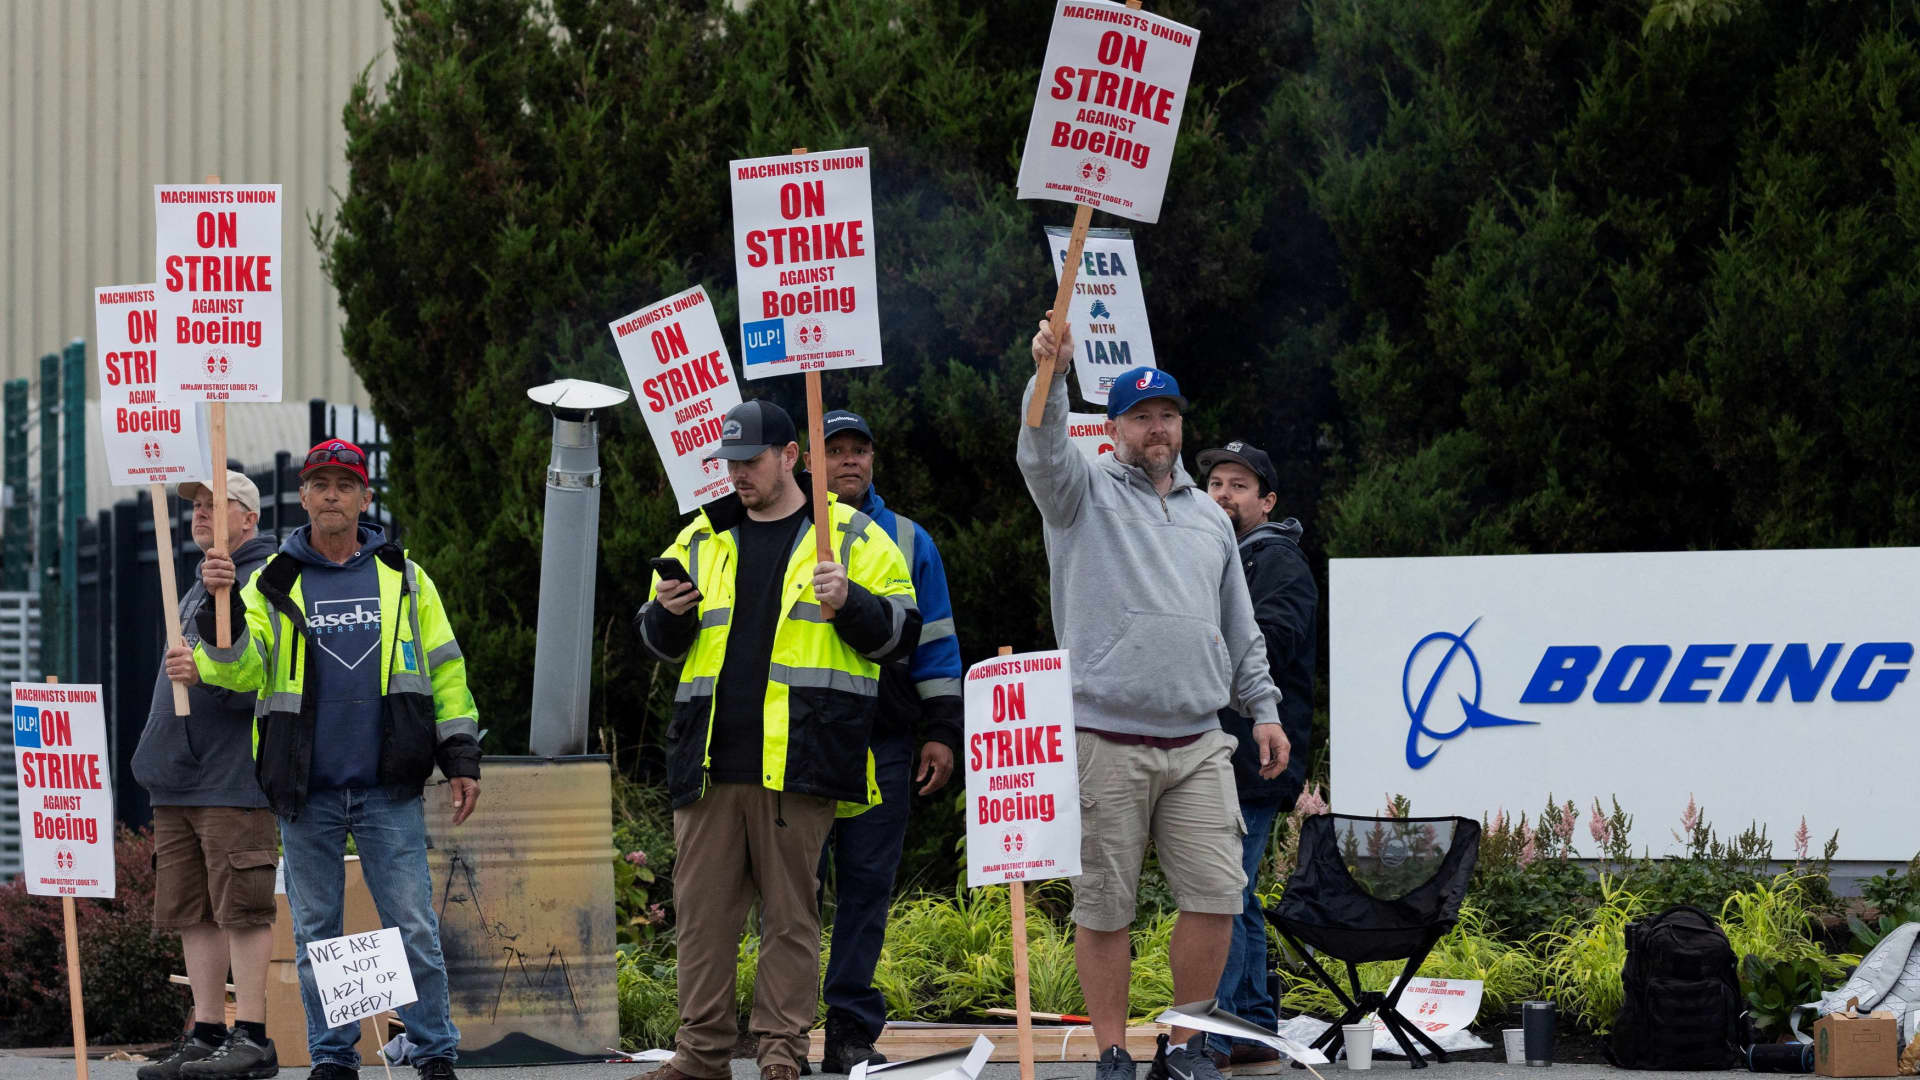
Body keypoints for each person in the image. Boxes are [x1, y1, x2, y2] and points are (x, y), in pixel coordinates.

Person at [1017, 318, 1288, 1080]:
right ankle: (1111, 1053)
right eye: (1140, 416)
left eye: (1167, 414)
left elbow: (1238, 624)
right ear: (1115, 429)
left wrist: (1262, 709)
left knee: (1217, 896)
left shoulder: (1209, 515)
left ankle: (1185, 1043)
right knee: (1105, 905)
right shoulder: (1079, 493)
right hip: (1104, 734)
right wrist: (1051, 373)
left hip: (1201, 737)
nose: (1156, 427)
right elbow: (1039, 445)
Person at [167, 438, 481, 1080]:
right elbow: (241, 669)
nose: (333, 494)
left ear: (365, 497)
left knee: (413, 927)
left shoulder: (405, 576)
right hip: (304, 789)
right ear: (304, 496)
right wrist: (219, 617)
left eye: (345, 483)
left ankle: (434, 1052)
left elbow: (447, 671)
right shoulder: (272, 580)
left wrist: (461, 758)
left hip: (387, 785)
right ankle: (333, 1057)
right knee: (316, 936)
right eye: (321, 484)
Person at [634, 399, 919, 1080]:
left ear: (791, 456)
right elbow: (657, 640)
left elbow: (902, 636)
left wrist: (850, 599)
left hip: (802, 758)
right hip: (707, 763)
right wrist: (667, 617)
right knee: (703, 922)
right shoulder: (697, 538)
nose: (737, 474)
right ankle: (700, 1055)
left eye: (751, 460)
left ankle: (781, 1056)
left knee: (791, 920)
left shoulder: (850, 536)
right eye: (729, 462)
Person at [805, 409, 963, 1073]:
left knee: (868, 887)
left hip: (884, 741)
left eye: (858, 450)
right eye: (834, 449)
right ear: (807, 460)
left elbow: (936, 642)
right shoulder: (784, 531)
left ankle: (848, 1033)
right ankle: (784, 1030)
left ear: (873, 458)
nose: (848, 460)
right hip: (803, 742)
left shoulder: (906, 537)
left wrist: (943, 731)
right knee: (794, 892)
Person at [133, 472, 281, 1080]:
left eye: (216, 505)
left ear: (249, 518)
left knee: (242, 907)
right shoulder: (197, 584)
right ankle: (208, 1030)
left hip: (233, 776)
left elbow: (265, 671)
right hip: (180, 778)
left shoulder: (264, 579)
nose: (200, 514)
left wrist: (209, 664)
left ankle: (252, 1035)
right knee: (193, 908)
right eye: (194, 506)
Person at [1194, 441, 1318, 1073]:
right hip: (1224, 752)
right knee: (1232, 892)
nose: (1222, 494)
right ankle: (1249, 1028)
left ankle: (1226, 1034)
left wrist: (1193, 639)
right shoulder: (1217, 558)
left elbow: (1266, 643)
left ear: (1267, 503)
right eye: (1215, 482)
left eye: (1238, 485)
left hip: (1253, 757)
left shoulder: (1277, 562)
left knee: (1225, 892)